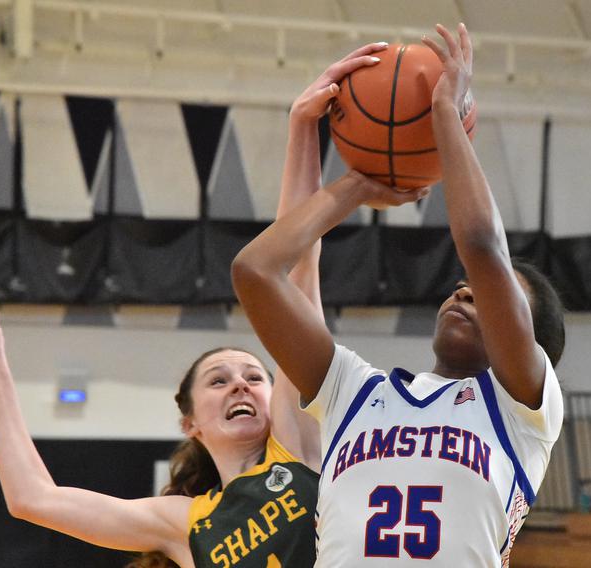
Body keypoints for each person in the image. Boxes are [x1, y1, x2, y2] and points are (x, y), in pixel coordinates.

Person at [0, 43, 390, 568]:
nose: (242, 384)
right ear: (191, 424)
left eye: (252, 376)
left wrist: (301, 130)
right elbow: (33, 499)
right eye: (219, 381)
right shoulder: (184, 523)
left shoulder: (296, 445)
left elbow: (299, 265)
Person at [232, 22, 565, 566]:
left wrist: (443, 117)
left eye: (487, 294)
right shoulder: (352, 392)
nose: (464, 293)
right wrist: (356, 184)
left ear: (534, 347)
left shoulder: (522, 410)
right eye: (461, 288)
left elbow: (481, 246)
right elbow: (256, 270)